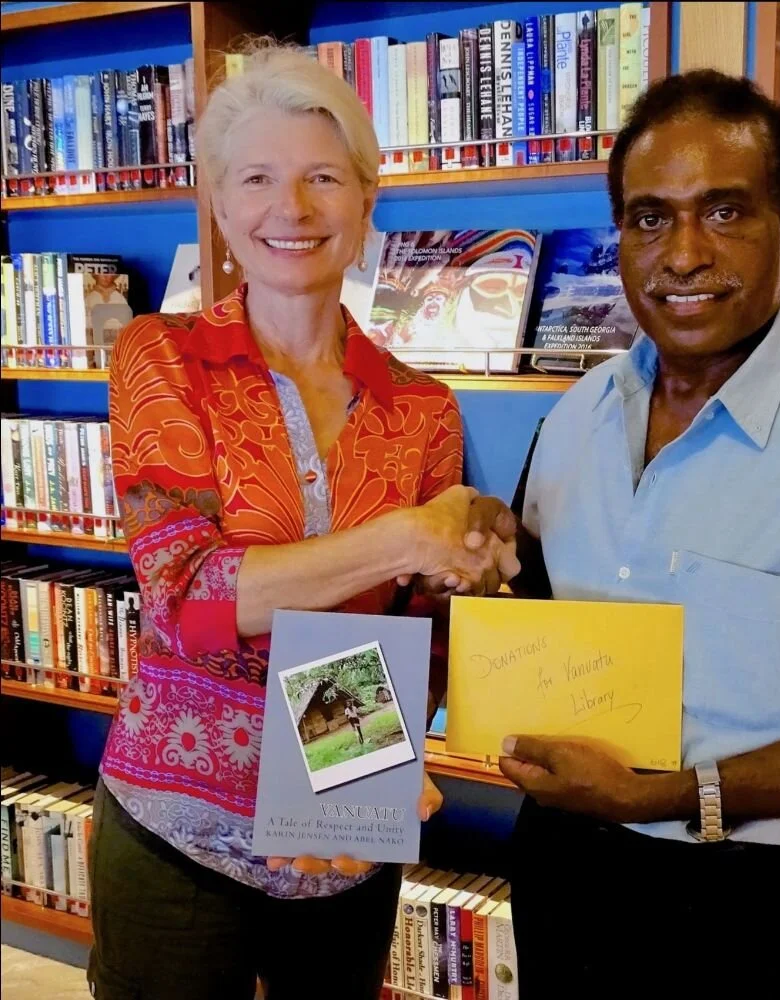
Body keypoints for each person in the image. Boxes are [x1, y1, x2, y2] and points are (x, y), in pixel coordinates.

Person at [461, 71, 780, 998]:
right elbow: (538, 616)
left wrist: (668, 795)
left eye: (725, 211)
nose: (684, 254)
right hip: (561, 872)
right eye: (650, 218)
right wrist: (473, 571)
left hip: (753, 908)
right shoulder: (577, 413)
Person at [88, 42, 514, 1000]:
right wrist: (405, 536)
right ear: (220, 205)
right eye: (257, 179)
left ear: (366, 201)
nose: (292, 207)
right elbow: (189, 601)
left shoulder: (423, 408)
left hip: (343, 828)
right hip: (178, 833)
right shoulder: (163, 357)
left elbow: (410, 631)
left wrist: (357, 778)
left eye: (324, 177)